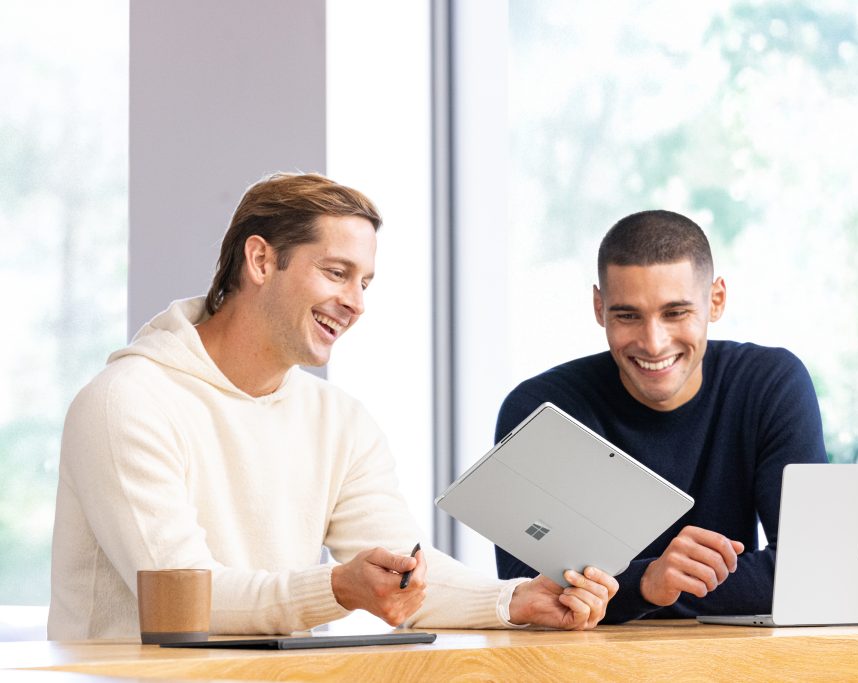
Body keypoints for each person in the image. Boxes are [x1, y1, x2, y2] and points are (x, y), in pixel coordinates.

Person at [48, 172, 617, 640]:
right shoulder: (127, 401)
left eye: (365, 281)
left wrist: (517, 599)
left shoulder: (339, 421)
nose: (356, 303)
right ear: (261, 261)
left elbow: (405, 581)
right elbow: (183, 600)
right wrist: (338, 588)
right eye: (336, 273)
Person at [494, 210, 827, 623]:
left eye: (675, 313)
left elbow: (810, 571)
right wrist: (648, 581)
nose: (653, 343)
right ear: (599, 308)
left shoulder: (769, 384)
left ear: (716, 300)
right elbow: (529, 595)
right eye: (628, 315)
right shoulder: (542, 410)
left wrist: (636, 590)